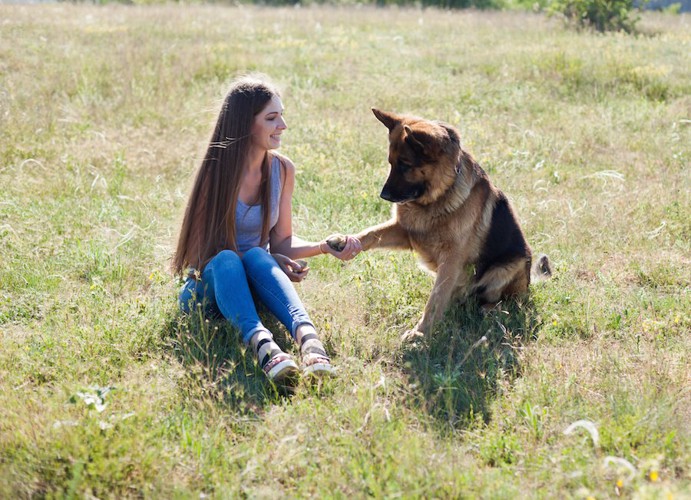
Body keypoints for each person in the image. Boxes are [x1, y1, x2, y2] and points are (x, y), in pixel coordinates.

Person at [173, 74, 361, 388]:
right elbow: (201, 254)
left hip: (251, 280)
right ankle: (264, 347)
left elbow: (282, 242)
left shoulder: (282, 170)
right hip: (209, 284)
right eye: (272, 118)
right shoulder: (216, 171)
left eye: (282, 116)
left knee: (260, 254)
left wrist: (322, 247)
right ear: (246, 124)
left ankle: (310, 342)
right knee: (231, 259)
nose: (283, 125)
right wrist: (268, 258)